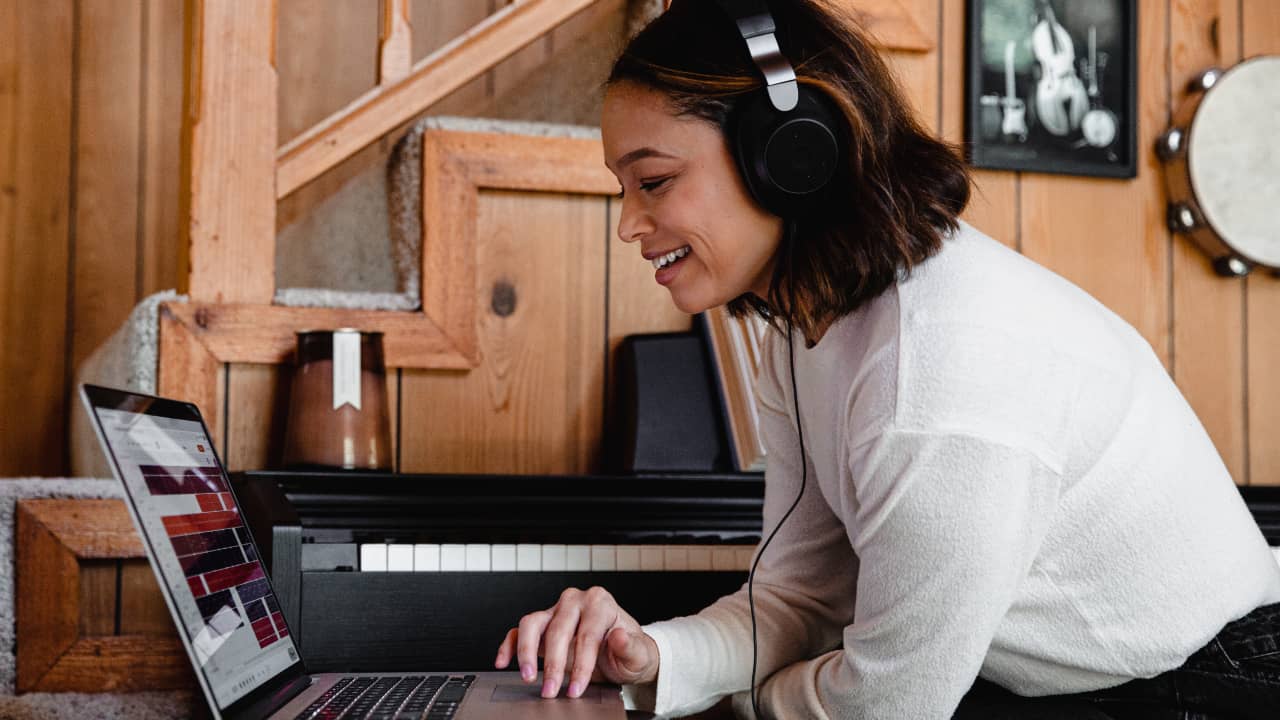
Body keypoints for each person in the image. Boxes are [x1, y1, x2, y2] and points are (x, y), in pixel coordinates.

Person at [492, 1, 1280, 717]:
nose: (630, 225)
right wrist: (656, 657)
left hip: (1211, 687)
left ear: (791, 155)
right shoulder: (805, 330)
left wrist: (743, 701)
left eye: (653, 181)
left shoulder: (941, 369)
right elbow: (800, 595)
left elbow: (890, 705)